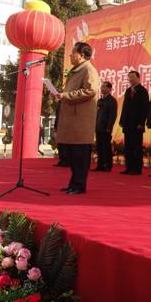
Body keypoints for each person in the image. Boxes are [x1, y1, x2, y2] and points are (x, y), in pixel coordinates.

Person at [56, 42, 100, 195]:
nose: (70, 55)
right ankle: (73, 183)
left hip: (81, 120)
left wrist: (67, 96)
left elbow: (91, 90)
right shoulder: (76, 70)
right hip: (73, 120)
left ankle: (79, 185)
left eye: (73, 52)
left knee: (80, 156)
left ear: (81, 55)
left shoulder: (88, 69)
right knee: (73, 156)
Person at [119, 71, 149, 175]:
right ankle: (129, 167)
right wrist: (122, 120)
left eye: (132, 77)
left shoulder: (143, 91)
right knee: (128, 147)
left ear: (138, 78)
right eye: (129, 77)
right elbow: (125, 107)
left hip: (137, 124)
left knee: (136, 147)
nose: (130, 79)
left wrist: (141, 122)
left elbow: (145, 109)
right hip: (127, 124)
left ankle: (137, 168)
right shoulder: (128, 91)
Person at [94, 81, 117, 172]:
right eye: (102, 87)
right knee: (99, 147)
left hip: (106, 128)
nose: (102, 88)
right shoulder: (100, 101)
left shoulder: (112, 101)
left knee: (106, 147)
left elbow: (112, 115)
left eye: (104, 87)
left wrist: (109, 127)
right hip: (98, 127)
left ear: (109, 89)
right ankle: (100, 165)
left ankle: (108, 165)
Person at [53, 101, 69, 167]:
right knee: (60, 144)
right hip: (59, 125)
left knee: (64, 144)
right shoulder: (59, 103)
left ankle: (66, 160)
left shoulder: (67, 103)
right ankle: (62, 159)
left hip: (65, 126)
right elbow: (57, 116)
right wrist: (55, 125)